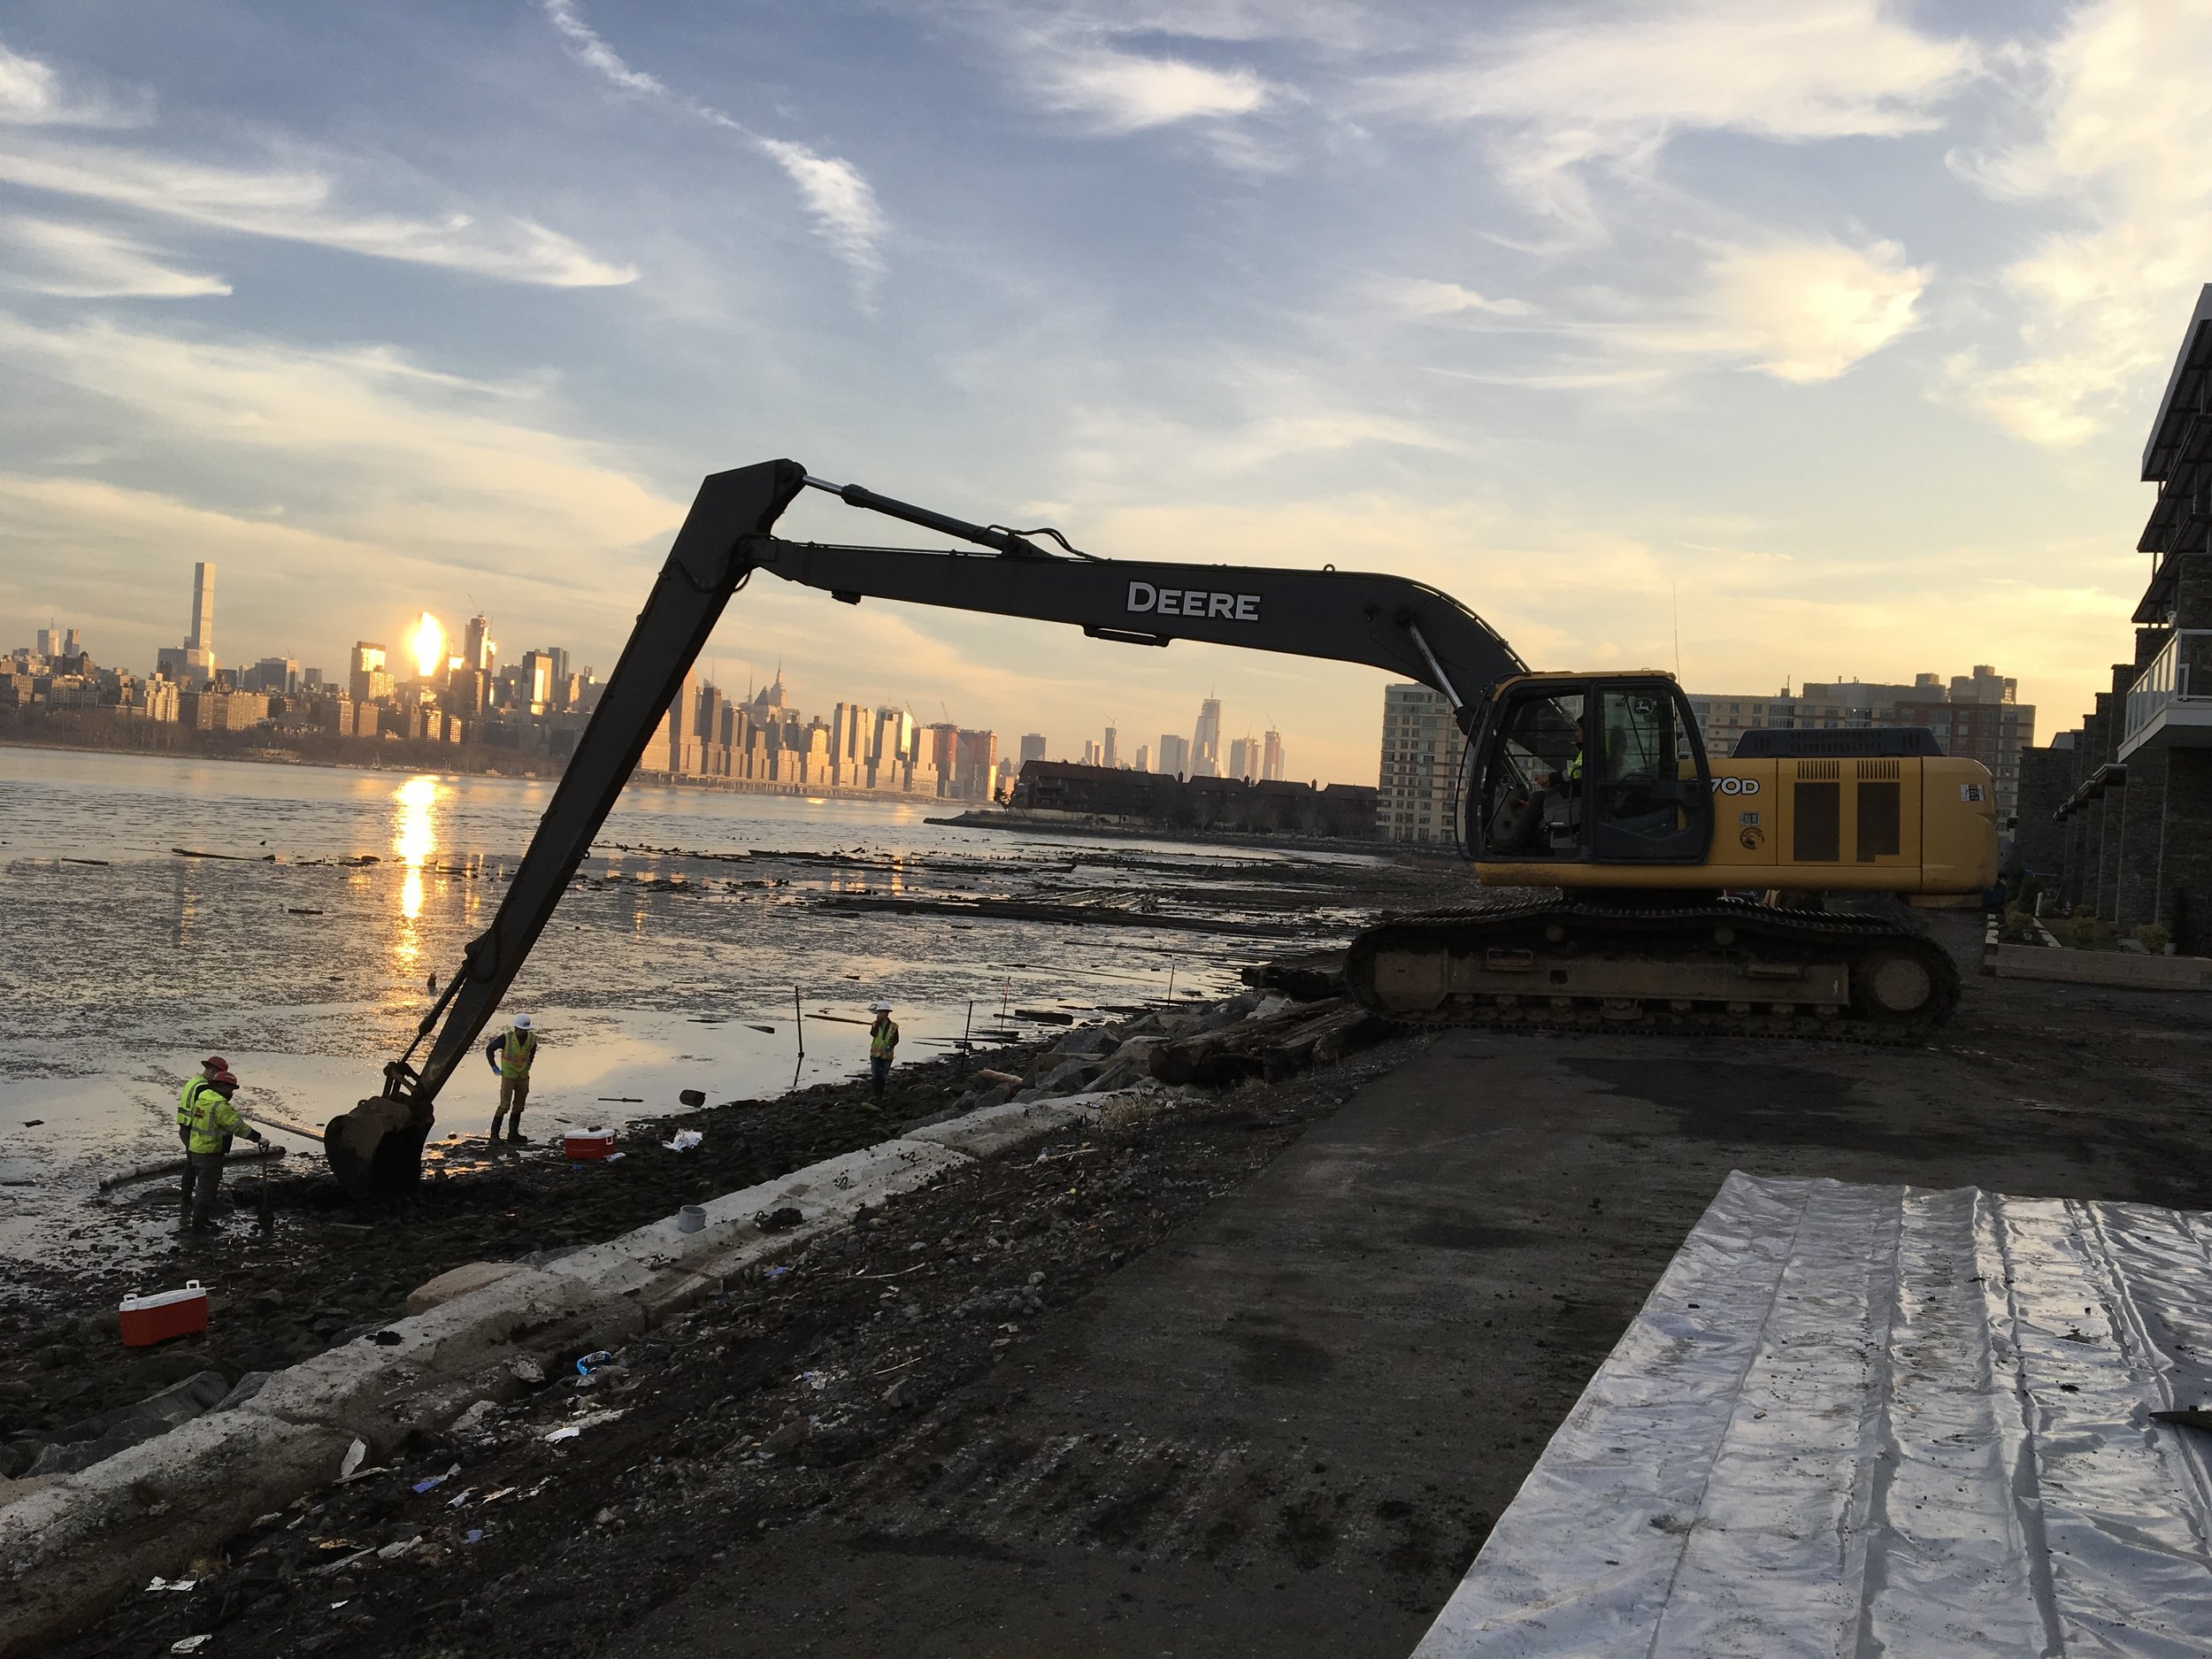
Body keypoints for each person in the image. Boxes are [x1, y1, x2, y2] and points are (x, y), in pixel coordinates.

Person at [180, 1070, 264, 1232]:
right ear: (222, 1087)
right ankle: (199, 1226)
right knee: (206, 1191)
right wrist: (259, 1138)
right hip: (210, 1153)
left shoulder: (202, 1099)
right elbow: (238, 1127)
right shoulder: (220, 1106)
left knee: (204, 1188)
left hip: (196, 1149)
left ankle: (203, 1220)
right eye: (230, 1089)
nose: (231, 1093)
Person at [486, 1012, 538, 1142]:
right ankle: (494, 1135)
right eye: (520, 1030)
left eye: (524, 1030)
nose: (522, 1032)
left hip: (523, 1076)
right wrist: (493, 1066)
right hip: (508, 1076)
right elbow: (490, 1049)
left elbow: (533, 1049)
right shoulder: (506, 1038)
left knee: (519, 1106)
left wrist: (530, 1063)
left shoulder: (531, 1038)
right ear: (515, 1028)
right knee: (504, 1106)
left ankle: (513, 1134)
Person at [175, 1056, 227, 1151]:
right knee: (197, 1161)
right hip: (193, 1129)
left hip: (184, 1125)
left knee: (191, 1159)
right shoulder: (204, 1087)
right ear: (213, 1070)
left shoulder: (194, 1080)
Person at [867, 1001, 899, 1102]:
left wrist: (890, 1046)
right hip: (875, 1054)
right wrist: (877, 1023)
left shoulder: (894, 1026)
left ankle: (880, 1095)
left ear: (887, 1013)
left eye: (881, 1012)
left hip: (887, 1055)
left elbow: (896, 1039)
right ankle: (876, 1095)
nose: (879, 1014)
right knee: (876, 1075)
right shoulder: (875, 1024)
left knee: (883, 1076)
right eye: (878, 1012)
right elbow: (873, 1034)